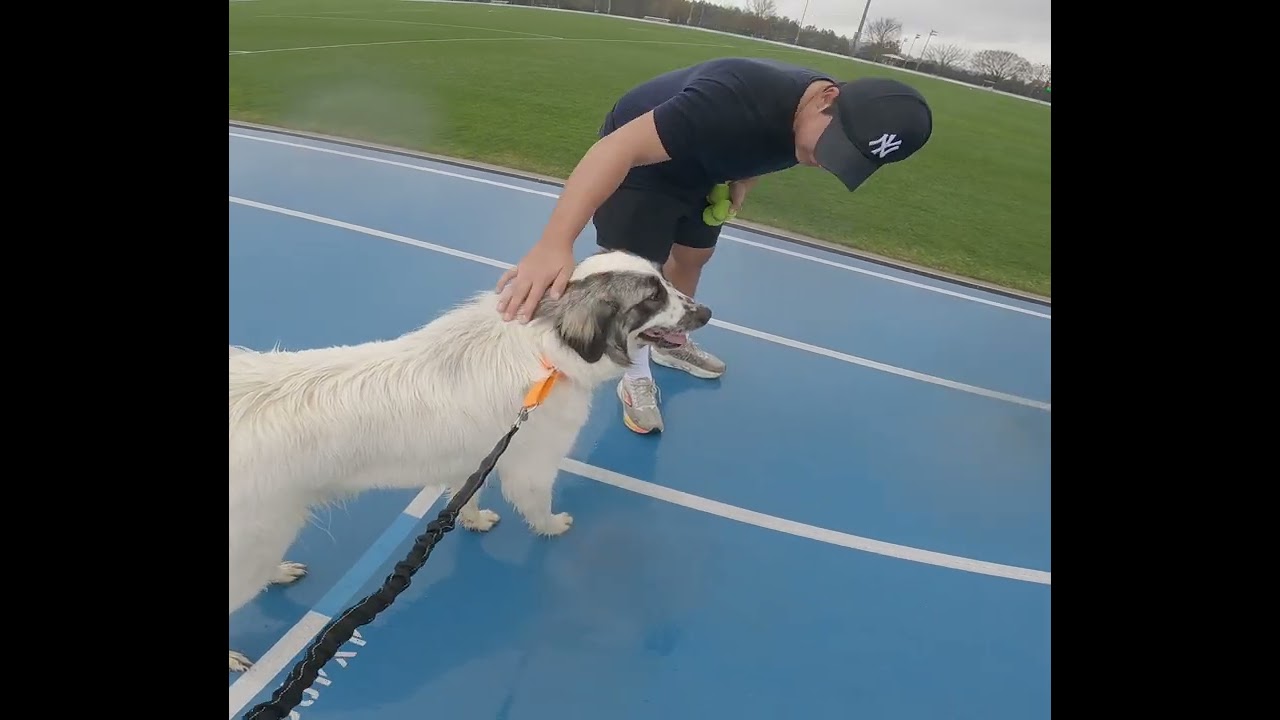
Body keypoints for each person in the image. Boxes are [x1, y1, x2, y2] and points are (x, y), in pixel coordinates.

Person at [495, 57, 934, 434]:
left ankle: (669, 340)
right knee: (637, 271)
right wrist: (554, 243)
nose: (823, 160)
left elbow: (769, 140)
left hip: (705, 169)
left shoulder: (812, 119)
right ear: (826, 98)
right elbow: (617, 148)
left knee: (695, 255)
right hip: (642, 163)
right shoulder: (732, 97)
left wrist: (743, 176)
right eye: (832, 146)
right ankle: (635, 373)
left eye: (846, 158)